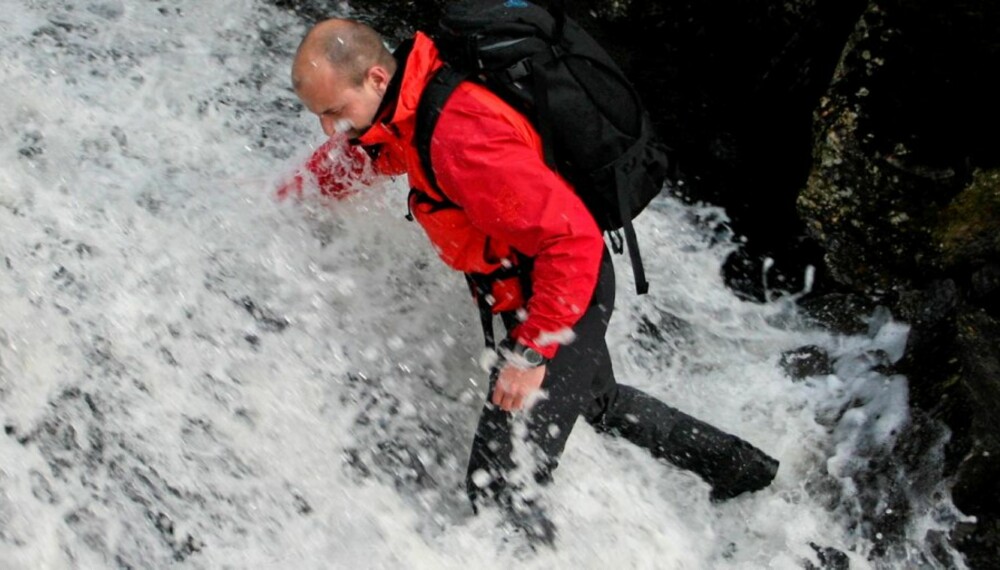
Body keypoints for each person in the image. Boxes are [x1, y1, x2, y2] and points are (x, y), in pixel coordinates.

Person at [285, 18, 779, 545]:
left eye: (334, 111)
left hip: (561, 293)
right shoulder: (411, 102)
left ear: (378, 79)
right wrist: (290, 202)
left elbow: (574, 242)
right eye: (320, 116)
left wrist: (530, 354)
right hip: (535, 291)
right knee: (598, 404)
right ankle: (743, 472)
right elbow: (374, 153)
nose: (330, 128)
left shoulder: (461, 136)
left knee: (501, 486)